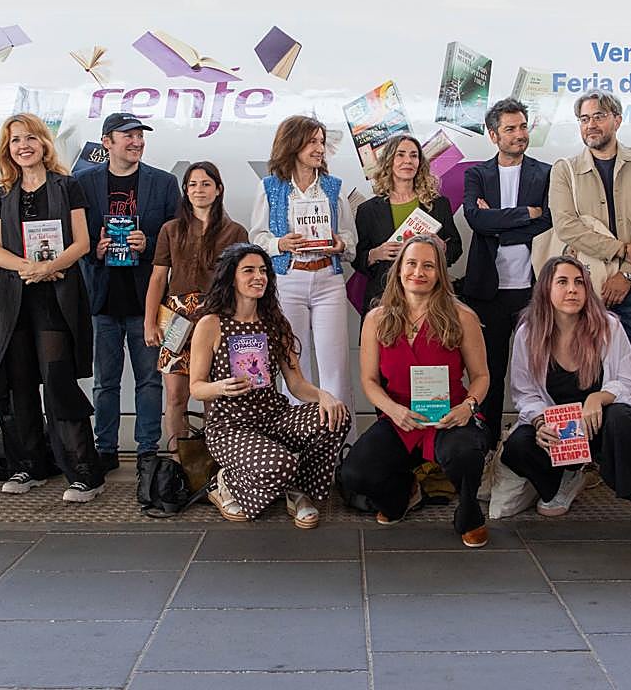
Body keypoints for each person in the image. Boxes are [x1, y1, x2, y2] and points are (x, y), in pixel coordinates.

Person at [501, 257, 631, 559]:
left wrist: (600, 398)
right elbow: (525, 394)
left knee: (623, 417)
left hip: (602, 428)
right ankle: (568, 477)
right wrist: (541, 422)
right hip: (562, 434)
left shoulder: (608, 326)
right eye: (562, 282)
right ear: (545, 290)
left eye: (579, 282)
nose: (572, 290)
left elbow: (630, 386)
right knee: (518, 444)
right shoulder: (529, 332)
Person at [0, 113, 103, 502]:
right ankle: (25, 466)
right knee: (19, 385)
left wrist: (50, 266)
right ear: (7, 149)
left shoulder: (68, 187)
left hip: (56, 297)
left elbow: (81, 242)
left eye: (30, 138)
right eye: (15, 140)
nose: (23, 145)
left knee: (59, 381)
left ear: (44, 144)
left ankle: (84, 473)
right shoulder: (2, 194)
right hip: (12, 301)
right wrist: (28, 268)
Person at [549, 90, 631, 493]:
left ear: (617, 120)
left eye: (599, 117)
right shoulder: (564, 170)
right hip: (586, 288)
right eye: (584, 119)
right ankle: (584, 463)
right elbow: (566, 226)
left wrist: (628, 275)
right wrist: (619, 250)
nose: (591, 125)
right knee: (582, 375)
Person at [341, 234, 491, 548]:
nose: (418, 272)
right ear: (398, 269)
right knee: (354, 474)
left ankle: (470, 513)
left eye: (428, 266)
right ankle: (404, 493)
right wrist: (393, 411)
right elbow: (369, 380)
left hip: (449, 416)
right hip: (399, 417)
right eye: (411, 264)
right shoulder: (376, 319)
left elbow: (481, 376)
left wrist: (468, 407)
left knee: (464, 453)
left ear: (440, 273)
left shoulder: (462, 316)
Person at [187, 243, 350, 528]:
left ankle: (299, 490)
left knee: (336, 416)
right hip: (230, 427)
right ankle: (225, 483)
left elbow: (296, 384)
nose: (258, 277)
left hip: (274, 417)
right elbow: (196, 388)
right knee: (280, 465)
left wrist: (325, 396)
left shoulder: (275, 323)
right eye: (248, 270)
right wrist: (221, 387)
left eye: (263, 270)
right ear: (231, 277)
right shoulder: (211, 324)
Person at [77, 112, 181, 470]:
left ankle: (147, 449)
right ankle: (104, 448)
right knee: (105, 381)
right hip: (102, 298)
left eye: (139, 135)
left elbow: (178, 238)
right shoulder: (82, 183)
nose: (136, 141)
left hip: (146, 301)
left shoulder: (164, 183)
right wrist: (96, 248)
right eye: (127, 136)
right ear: (107, 142)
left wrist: (148, 243)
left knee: (150, 380)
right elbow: (74, 237)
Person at [250, 115, 356, 434]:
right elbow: (257, 236)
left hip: (328, 280)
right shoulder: (270, 186)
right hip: (289, 279)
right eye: (313, 141)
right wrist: (280, 242)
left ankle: (340, 446)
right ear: (293, 144)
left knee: (335, 365)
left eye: (322, 142)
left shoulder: (333, 187)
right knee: (295, 365)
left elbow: (350, 239)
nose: (319, 148)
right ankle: (299, 441)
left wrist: (339, 243)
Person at [461, 97, 552, 447]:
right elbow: (475, 219)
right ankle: (487, 449)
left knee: (540, 372)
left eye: (523, 126)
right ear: (493, 134)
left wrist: (497, 222)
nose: (519, 134)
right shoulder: (477, 174)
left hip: (534, 287)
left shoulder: (545, 173)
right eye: (510, 129)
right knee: (490, 373)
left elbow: (548, 221)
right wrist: (525, 214)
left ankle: (547, 448)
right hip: (488, 291)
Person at [143, 161, 248, 445]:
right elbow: (157, 277)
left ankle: (214, 467)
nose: (198, 189)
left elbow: (243, 282)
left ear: (218, 189)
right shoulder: (170, 230)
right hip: (176, 320)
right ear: (185, 191)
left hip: (217, 318)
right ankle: (179, 464)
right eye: (192, 184)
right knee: (176, 395)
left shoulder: (235, 231)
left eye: (205, 184)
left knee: (214, 396)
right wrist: (149, 322)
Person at [353, 134, 462, 314]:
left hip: (430, 297)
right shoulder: (368, 210)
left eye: (414, 155)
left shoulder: (439, 204)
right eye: (400, 154)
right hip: (384, 297)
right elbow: (357, 259)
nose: (408, 161)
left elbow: (456, 248)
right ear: (389, 161)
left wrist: (442, 247)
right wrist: (374, 254)